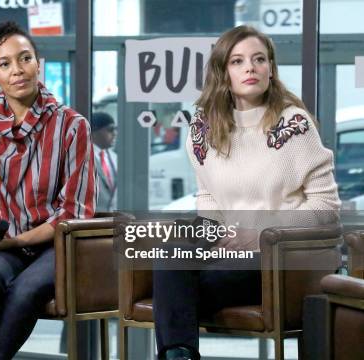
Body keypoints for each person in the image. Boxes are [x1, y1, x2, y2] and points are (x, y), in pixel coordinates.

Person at [152, 26, 340, 360]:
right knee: (172, 253)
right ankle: (177, 355)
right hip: (230, 250)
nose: (250, 68)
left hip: (283, 256)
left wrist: (260, 234)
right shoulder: (203, 128)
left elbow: (326, 208)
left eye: (259, 59)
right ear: (223, 72)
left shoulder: (293, 123)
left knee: (178, 289)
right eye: (238, 61)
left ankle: (176, 353)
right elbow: (209, 196)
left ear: (271, 69)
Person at [0, 21, 96, 360]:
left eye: (25, 58)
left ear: (38, 64)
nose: (17, 70)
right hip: (1, 244)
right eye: (5, 64)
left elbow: (74, 212)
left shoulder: (72, 125)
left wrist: (14, 240)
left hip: (55, 245)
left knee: (26, 290)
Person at [91, 112, 118, 212]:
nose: (115, 134)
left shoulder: (114, 157)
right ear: (94, 131)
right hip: (92, 220)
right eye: (110, 130)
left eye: (115, 129)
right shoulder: (83, 157)